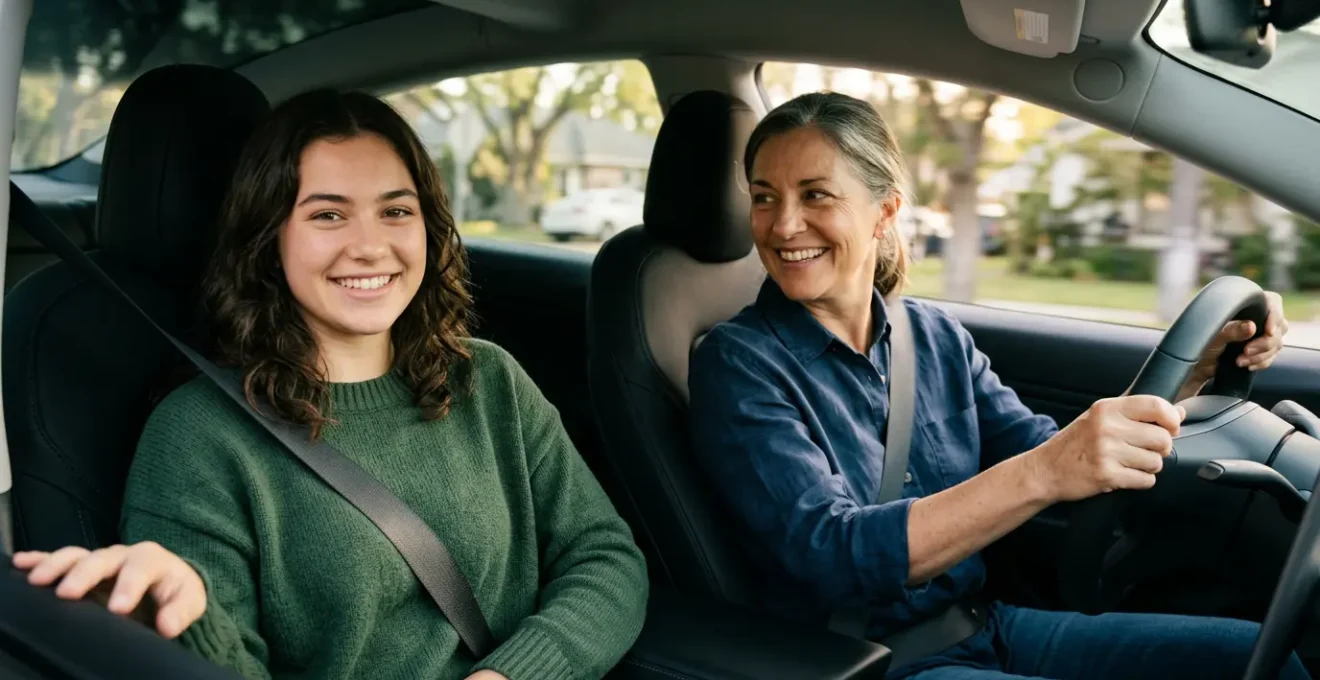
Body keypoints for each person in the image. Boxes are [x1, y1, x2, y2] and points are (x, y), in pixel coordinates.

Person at [11, 89, 649, 680]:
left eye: (396, 210)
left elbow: (606, 557)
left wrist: (510, 675)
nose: (370, 246)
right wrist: (192, 623)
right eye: (328, 215)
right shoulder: (197, 438)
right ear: (268, 238)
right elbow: (221, 662)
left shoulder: (488, 380)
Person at [687, 91, 1306, 680]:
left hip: (986, 625)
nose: (783, 224)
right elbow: (833, 553)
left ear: (885, 212)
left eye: (815, 195)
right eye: (765, 197)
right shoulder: (739, 364)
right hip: (871, 662)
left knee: (1257, 657)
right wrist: (1044, 470)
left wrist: (1194, 378)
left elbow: (1045, 451)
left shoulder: (931, 335)